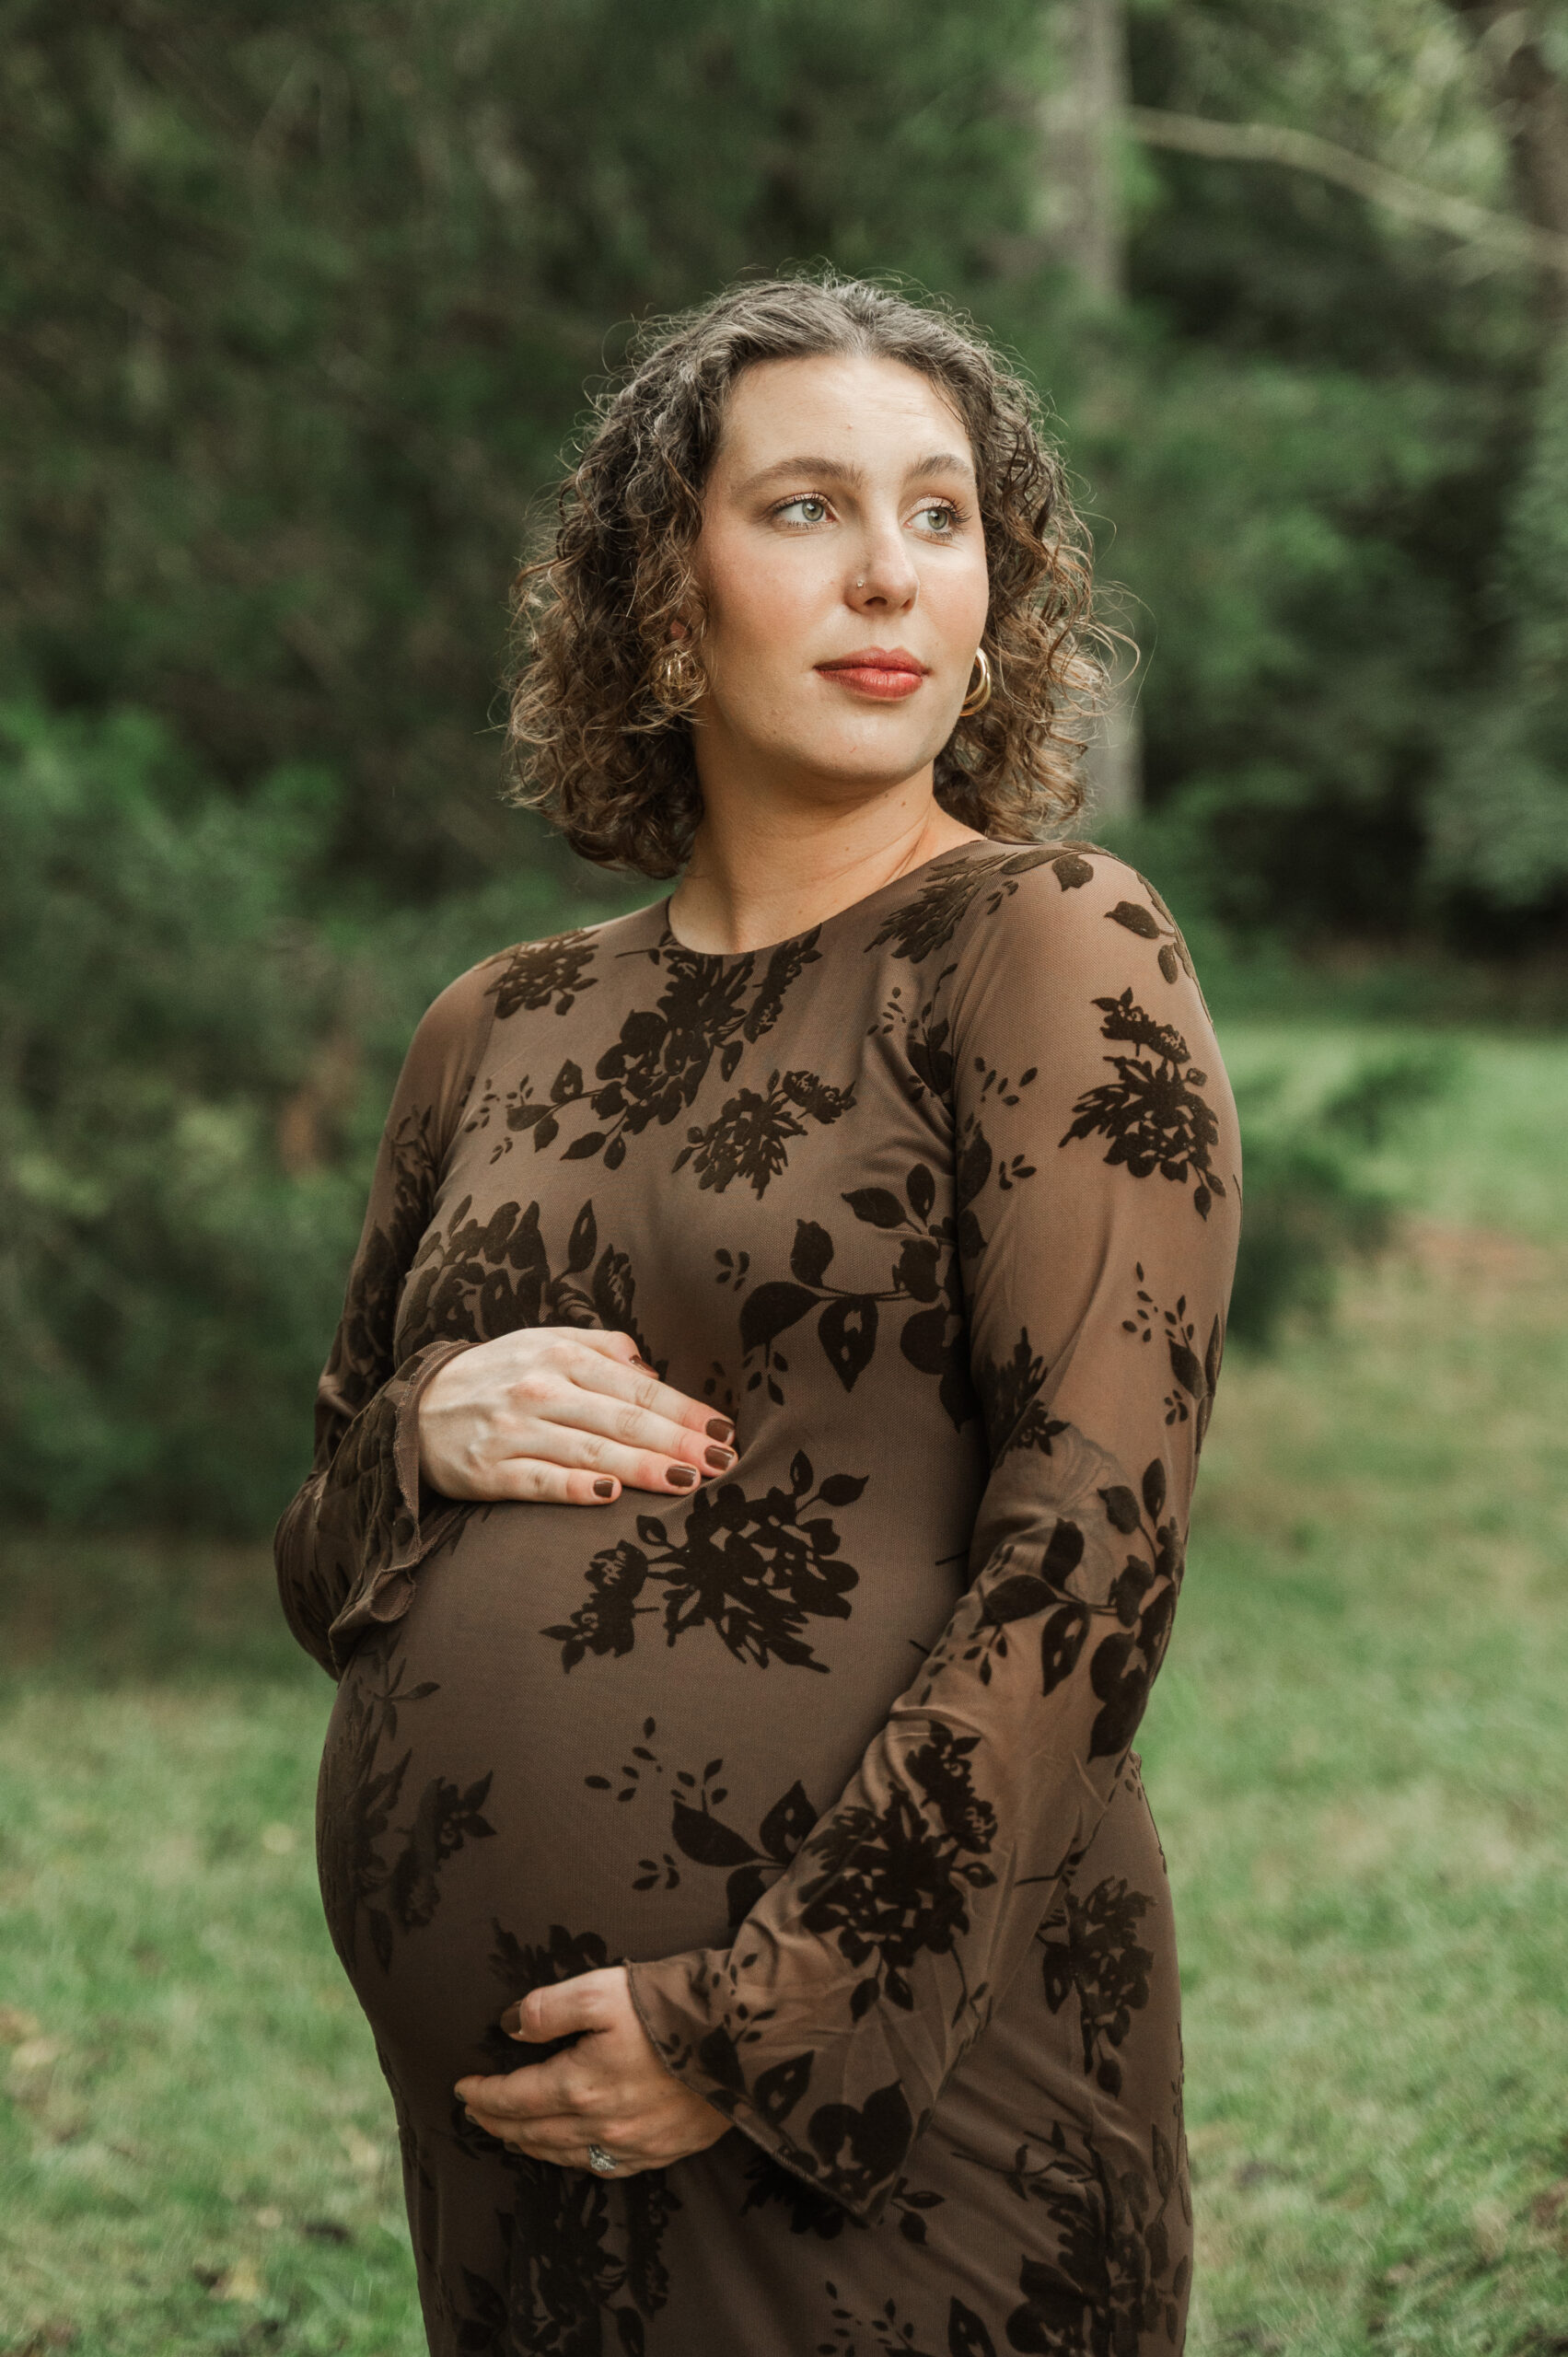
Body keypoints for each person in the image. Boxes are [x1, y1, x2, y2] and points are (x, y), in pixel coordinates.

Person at [275, 273, 1240, 2356]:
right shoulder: (494, 1026)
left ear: (1001, 597)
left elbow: (1094, 1551)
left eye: (943, 513)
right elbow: (323, 1561)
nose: (890, 569)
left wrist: (759, 2021)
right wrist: (427, 1425)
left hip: (900, 2104)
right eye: (804, 507)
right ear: (659, 595)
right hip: (512, 2153)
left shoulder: (1046, 945)